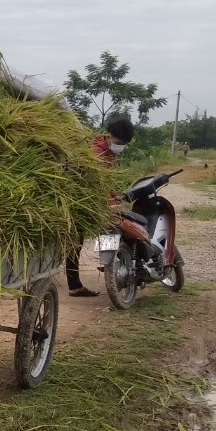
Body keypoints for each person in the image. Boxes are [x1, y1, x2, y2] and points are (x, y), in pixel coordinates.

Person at [67, 116, 135, 296]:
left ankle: (106, 268)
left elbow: (105, 182)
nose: (120, 146)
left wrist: (115, 197)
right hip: (81, 200)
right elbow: (94, 184)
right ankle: (77, 283)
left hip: (91, 200)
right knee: (76, 242)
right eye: (118, 142)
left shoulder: (108, 152)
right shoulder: (96, 153)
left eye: (123, 143)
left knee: (77, 242)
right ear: (109, 135)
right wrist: (109, 204)